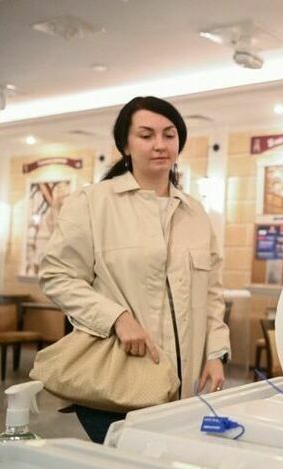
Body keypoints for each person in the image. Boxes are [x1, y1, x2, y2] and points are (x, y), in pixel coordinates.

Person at [39, 96, 230, 443]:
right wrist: (117, 318)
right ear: (125, 145)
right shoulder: (92, 203)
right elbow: (57, 275)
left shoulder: (196, 213)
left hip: (185, 388)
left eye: (169, 135)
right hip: (118, 382)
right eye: (146, 135)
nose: (160, 144)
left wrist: (216, 353)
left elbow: (212, 294)